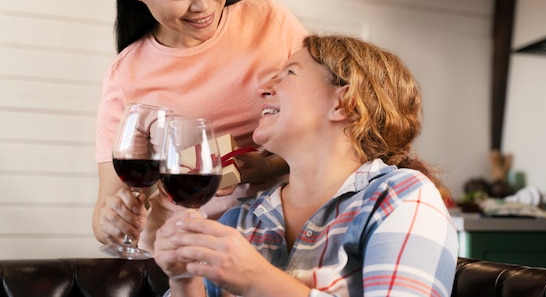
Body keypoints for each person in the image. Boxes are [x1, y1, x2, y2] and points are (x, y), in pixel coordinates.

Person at [154, 34, 459, 297]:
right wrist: (184, 281)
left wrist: (254, 279)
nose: (263, 89)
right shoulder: (239, 220)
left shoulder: (401, 198)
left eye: (289, 73)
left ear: (343, 103)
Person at [92, 0, 309, 253]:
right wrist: (112, 219)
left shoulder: (270, 20)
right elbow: (107, 208)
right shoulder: (125, 74)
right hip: (185, 250)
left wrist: (269, 167)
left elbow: (336, 127)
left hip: (281, 234)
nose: (203, 5)